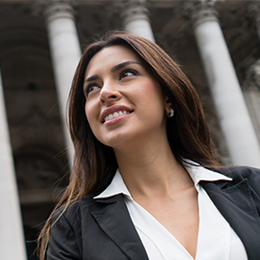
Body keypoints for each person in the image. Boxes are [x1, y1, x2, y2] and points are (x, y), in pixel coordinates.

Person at [38, 31, 260, 260]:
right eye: (92, 88)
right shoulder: (72, 228)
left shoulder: (252, 188)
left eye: (126, 74)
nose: (105, 92)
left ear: (168, 97)